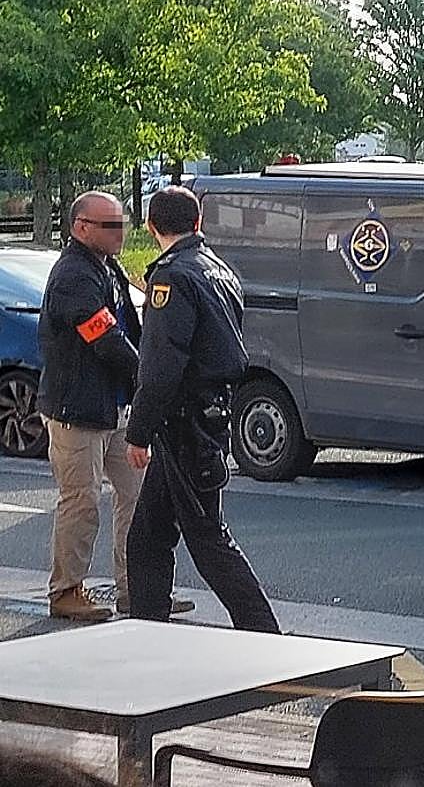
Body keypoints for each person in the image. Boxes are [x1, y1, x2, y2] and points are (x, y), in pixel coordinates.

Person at [124, 187, 280, 633]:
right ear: (199, 223)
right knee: (148, 537)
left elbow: (160, 365)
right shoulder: (216, 268)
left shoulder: (171, 277)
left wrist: (138, 431)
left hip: (184, 419)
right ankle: (146, 629)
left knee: (209, 539)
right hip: (207, 412)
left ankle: (264, 635)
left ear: (151, 227)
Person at [37, 192, 193, 621]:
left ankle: (136, 591)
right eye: (108, 226)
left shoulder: (107, 267)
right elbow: (103, 337)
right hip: (78, 411)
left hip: (115, 407)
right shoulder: (73, 275)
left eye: (120, 223)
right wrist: (149, 375)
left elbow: (134, 326)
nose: (118, 232)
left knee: (137, 499)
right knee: (81, 500)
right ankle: (66, 590)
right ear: (80, 227)